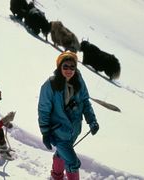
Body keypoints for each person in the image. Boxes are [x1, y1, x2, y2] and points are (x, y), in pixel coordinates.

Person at [38, 51, 100, 180]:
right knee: (73, 162)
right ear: (59, 67)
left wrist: (92, 120)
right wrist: (45, 132)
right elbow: (44, 111)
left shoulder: (79, 81)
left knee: (62, 154)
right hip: (58, 132)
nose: (69, 70)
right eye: (65, 66)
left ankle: (56, 176)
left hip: (74, 130)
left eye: (72, 67)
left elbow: (85, 102)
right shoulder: (50, 85)